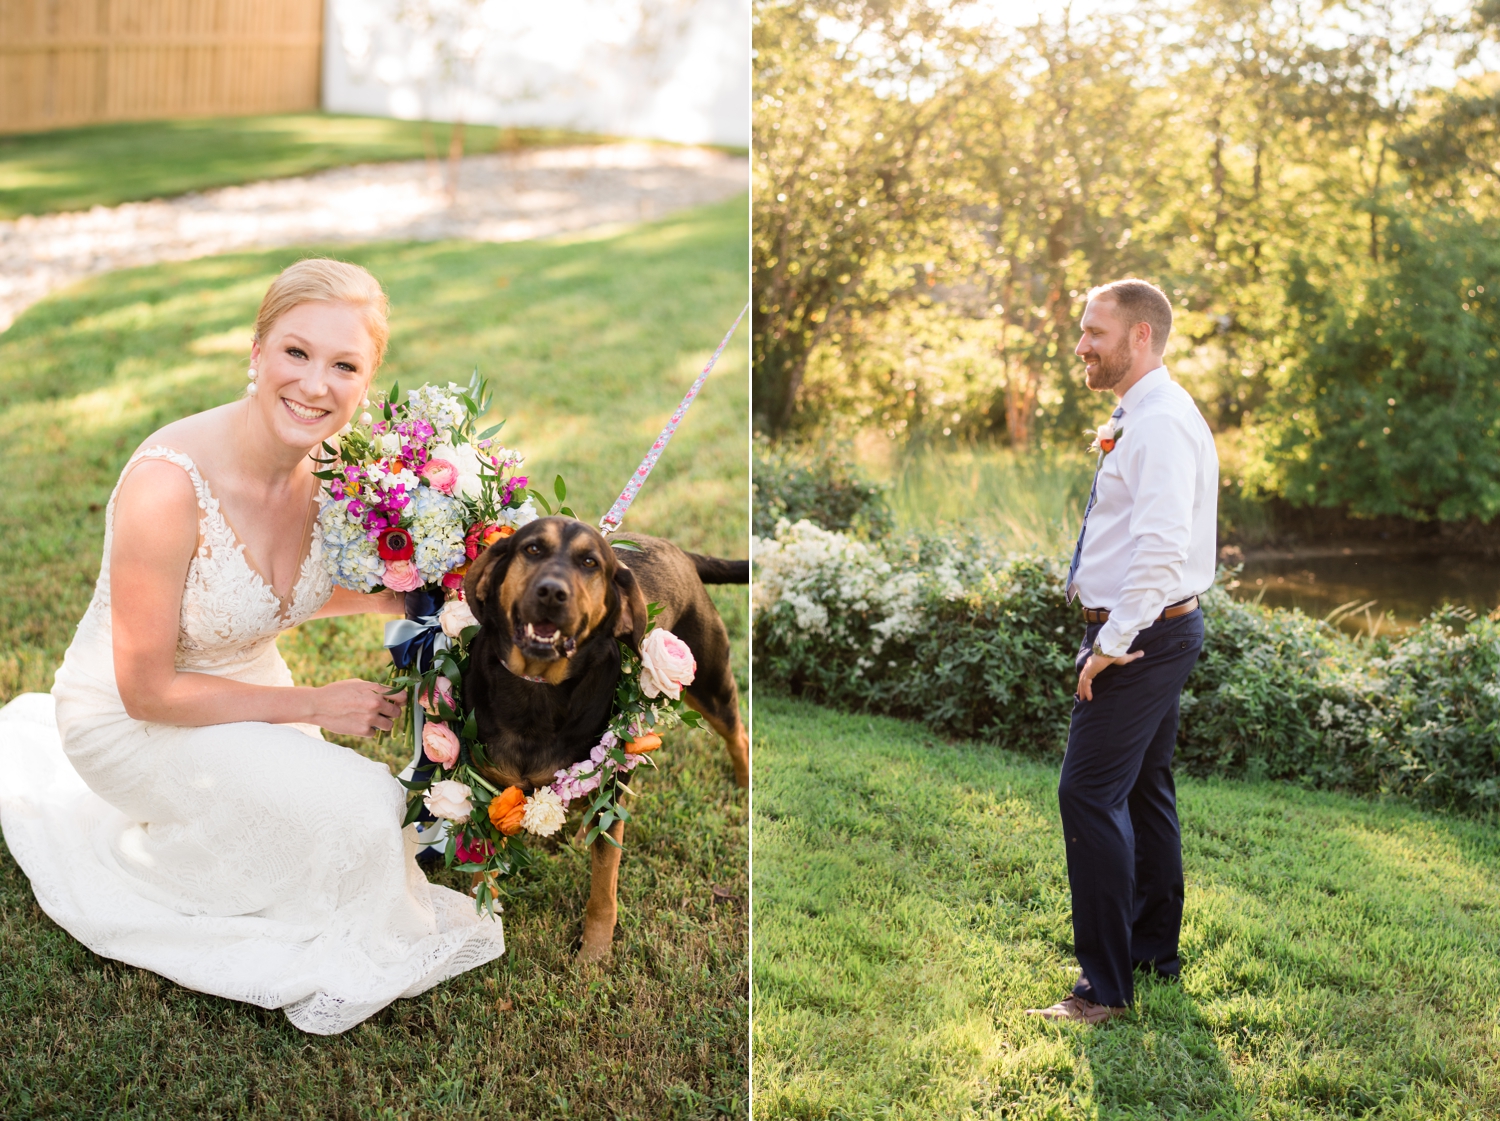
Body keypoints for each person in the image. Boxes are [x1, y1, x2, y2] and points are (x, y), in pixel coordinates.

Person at [0, 259, 506, 1034]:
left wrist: (451, 581)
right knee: (370, 809)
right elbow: (146, 690)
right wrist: (314, 705)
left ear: (367, 383)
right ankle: (169, 860)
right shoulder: (168, 485)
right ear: (257, 350)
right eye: (296, 352)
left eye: (344, 365)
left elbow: (319, 585)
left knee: (381, 818)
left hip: (246, 692)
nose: (314, 384)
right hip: (135, 720)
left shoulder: (340, 479)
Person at [1026, 278, 1218, 1025]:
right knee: (1143, 787)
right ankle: (1150, 953)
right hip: (1152, 629)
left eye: (1094, 332)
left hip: (1139, 637)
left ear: (1140, 336)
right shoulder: (1142, 411)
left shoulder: (1162, 422)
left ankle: (1103, 989)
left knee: (1087, 792)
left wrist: (1110, 641)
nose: (1081, 345)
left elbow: (1163, 547)